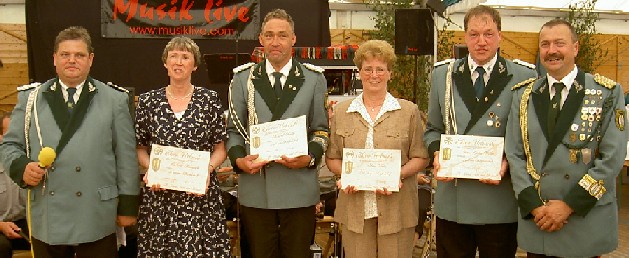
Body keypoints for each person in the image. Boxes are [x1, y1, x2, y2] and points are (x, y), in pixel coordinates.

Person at [0, 26, 139, 257]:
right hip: (48, 213)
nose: (72, 60)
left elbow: (125, 157)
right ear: (54, 59)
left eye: (79, 55)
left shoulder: (114, 99)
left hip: (96, 212)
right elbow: (10, 145)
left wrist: (127, 206)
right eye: (65, 54)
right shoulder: (31, 99)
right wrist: (22, 168)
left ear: (90, 59)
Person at [506, 18, 626, 258]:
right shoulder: (524, 95)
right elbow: (515, 153)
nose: (552, 51)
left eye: (559, 43)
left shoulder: (606, 93)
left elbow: (612, 158)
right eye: (545, 44)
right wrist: (534, 204)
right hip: (539, 218)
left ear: (575, 48)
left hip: (583, 219)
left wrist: (569, 205)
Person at [423, 5, 537, 257]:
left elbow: (531, 139)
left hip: (499, 201)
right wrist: (437, 153)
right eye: (474, 34)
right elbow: (432, 129)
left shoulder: (524, 76)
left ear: (500, 35)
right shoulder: (444, 75)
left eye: (488, 33)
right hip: (454, 202)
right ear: (465, 37)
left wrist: (507, 162)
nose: (481, 41)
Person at [226, 8, 329, 258]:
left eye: (282, 36)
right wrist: (239, 160)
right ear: (261, 39)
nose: (275, 42)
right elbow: (234, 130)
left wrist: (310, 157)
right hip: (257, 189)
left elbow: (321, 131)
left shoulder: (313, 79)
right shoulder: (243, 79)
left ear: (293, 39)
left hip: (299, 189)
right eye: (269, 35)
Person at [326, 39, 429, 258]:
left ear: (390, 73)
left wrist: (394, 175)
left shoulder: (408, 111)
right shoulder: (342, 112)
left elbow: (421, 157)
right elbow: (332, 158)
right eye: (368, 69)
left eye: (380, 69)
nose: (374, 75)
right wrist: (347, 174)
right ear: (359, 72)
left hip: (397, 209)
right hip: (355, 210)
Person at [135, 36, 231, 257]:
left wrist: (205, 170)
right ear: (165, 63)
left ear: (194, 65)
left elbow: (220, 148)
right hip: (161, 200)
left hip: (200, 198)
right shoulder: (148, 102)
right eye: (174, 56)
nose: (178, 62)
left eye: (185, 57)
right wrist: (151, 170)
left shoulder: (209, 100)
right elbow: (139, 147)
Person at [0, 111, 30, 257]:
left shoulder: (29, 163)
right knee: (2, 248)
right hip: (1, 225)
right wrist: (1, 226)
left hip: (23, 222)